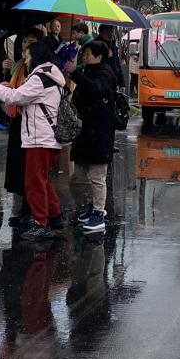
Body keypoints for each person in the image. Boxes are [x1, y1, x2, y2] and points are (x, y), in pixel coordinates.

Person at [0, 41, 66, 242]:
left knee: (34, 182)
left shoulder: (40, 78)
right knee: (43, 180)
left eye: (29, 56)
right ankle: (55, 218)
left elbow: (15, 97)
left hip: (39, 139)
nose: (26, 60)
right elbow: (24, 95)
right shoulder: (51, 76)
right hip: (46, 138)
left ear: (38, 57)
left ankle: (41, 224)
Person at [68, 40, 119, 234]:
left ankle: (99, 212)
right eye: (84, 53)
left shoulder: (106, 72)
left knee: (97, 175)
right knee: (80, 174)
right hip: (85, 131)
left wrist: (75, 74)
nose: (85, 56)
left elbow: (96, 89)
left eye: (89, 53)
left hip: (100, 132)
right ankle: (91, 205)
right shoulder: (87, 70)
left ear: (99, 56)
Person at [4, 27, 43, 227]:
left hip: (31, 124)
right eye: (25, 42)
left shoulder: (39, 70)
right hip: (17, 120)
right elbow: (13, 89)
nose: (27, 46)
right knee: (18, 167)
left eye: (31, 42)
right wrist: (6, 73)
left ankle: (32, 211)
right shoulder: (19, 65)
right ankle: (23, 208)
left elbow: (24, 94)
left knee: (30, 169)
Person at [97, 24, 125, 91]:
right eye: (111, 30)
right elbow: (94, 63)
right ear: (105, 31)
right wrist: (105, 55)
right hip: (102, 81)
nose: (113, 33)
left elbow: (117, 65)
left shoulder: (112, 45)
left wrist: (121, 83)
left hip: (113, 82)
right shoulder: (96, 44)